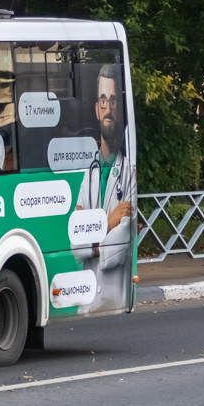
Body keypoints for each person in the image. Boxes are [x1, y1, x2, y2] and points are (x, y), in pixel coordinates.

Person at [72, 64, 136, 313]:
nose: (108, 108)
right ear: (96, 109)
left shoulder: (130, 173)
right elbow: (75, 246)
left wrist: (91, 240)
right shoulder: (89, 174)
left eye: (113, 101)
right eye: (103, 100)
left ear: (119, 110)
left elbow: (120, 245)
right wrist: (108, 222)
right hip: (85, 305)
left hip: (113, 300)